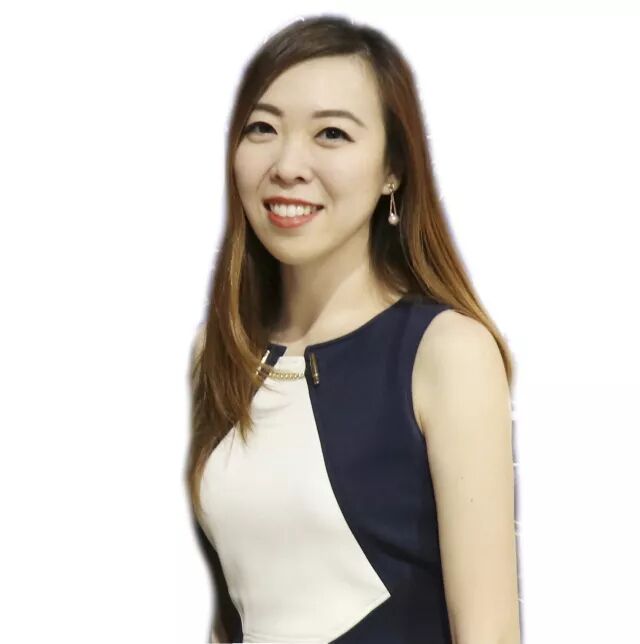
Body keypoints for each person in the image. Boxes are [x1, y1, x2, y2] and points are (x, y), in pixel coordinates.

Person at [186, 14, 521, 644]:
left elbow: (490, 633)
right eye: (262, 128)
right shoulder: (222, 349)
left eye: (332, 134)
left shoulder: (445, 352)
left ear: (393, 168)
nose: (288, 164)